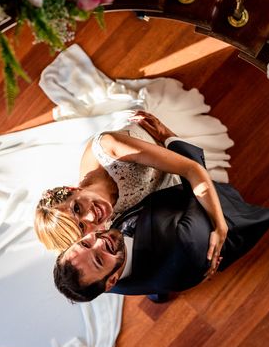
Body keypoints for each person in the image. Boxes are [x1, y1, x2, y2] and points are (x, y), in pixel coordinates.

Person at [52, 138, 269, 302]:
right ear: (111, 282)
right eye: (99, 260)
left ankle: (158, 292)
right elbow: (193, 172)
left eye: (84, 242)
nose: (99, 241)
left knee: (156, 283)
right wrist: (167, 137)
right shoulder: (182, 240)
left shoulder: (94, 282)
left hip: (160, 268)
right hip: (224, 214)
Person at [35, 110, 230, 267]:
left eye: (77, 208)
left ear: (72, 189)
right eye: (82, 227)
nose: (92, 217)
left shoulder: (109, 148)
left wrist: (220, 227)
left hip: (174, 160)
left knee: (220, 222)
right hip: (166, 198)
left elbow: (190, 168)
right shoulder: (101, 229)